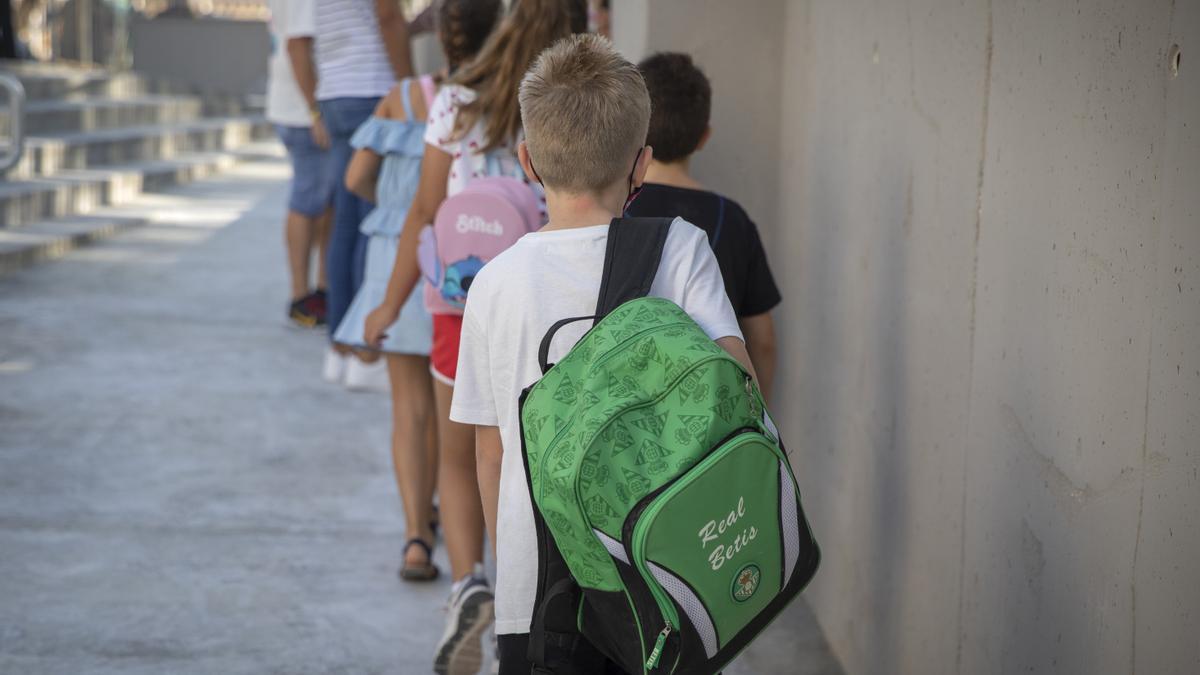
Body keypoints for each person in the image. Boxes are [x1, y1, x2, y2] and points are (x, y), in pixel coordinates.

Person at [449, 34, 756, 673]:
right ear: (641, 165)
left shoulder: (494, 283)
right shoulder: (682, 248)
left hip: (538, 592)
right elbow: (741, 390)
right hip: (667, 572)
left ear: (527, 161)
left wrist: (513, 564)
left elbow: (491, 450)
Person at [361, 1, 581, 672]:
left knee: (459, 457)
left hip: (460, 304)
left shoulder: (456, 100)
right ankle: (531, 598)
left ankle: (468, 582)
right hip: (550, 309)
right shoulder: (570, 100)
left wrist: (388, 305)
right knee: (531, 463)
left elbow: (424, 211)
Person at [336, 0, 500, 583]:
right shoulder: (512, 98)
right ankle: (489, 567)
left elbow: (357, 178)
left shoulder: (403, 97)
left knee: (411, 413)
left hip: (406, 263)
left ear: (439, 34)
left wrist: (389, 208)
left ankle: (415, 539)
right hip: (473, 269)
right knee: (470, 434)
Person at [625, 52, 782, 401]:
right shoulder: (734, 219)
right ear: (704, 136)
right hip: (708, 419)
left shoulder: (612, 210)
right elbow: (763, 339)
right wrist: (757, 413)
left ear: (633, 128)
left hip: (624, 411)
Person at [314, 0, 416, 387]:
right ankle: (365, 353)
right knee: (372, 224)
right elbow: (388, 15)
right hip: (372, 89)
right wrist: (410, 88)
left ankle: (338, 349)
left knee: (346, 223)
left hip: (335, 92)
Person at [268, 0, 333, 328]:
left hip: (302, 106)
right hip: (303, 111)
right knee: (308, 200)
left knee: (324, 201)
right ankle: (301, 297)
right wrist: (315, 111)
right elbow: (297, 46)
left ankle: (320, 292)